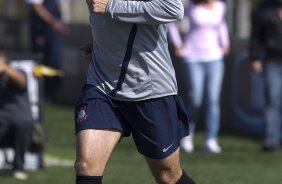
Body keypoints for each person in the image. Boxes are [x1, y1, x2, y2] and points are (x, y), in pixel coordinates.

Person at [74, 0, 196, 183]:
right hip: (102, 86)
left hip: (150, 91)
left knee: (167, 176)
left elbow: (173, 9)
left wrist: (110, 6)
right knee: (85, 166)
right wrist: (101, 43)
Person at [168, 0, 230, 153]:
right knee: (195, 98)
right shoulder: (189, 6)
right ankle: (187, 136)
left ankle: (211, 139)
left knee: (213, 100)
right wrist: (178, 44)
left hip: (215, 58)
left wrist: (225, 43)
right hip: (193, 57)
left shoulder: (220, 6)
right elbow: (171, 22)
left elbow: (221, 24)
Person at [250, 0, 282, 151]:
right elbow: (256, 35)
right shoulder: (264, 9)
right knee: (272, 98)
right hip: (272, 60)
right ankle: (271, 139)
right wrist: (255, 57)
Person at [0, 50, 33, 180]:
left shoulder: (18, 72)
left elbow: (21, 81)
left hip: (18, 123)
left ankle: (19, 166)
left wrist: (5, 69)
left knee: (21, 123)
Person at [25, 0, 68, 101]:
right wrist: (53, 22)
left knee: (55, 63)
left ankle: (50, 94)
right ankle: (40, 94)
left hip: (54, 32)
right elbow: (37, 7)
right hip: (42, 31)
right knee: (40, 62)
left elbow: (60, 7)